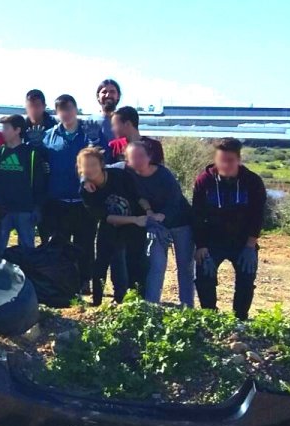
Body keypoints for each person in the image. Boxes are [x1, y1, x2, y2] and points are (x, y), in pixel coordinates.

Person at [192, 138, 267, 320]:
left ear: (239, 160)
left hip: (242, 241)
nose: (225, 164)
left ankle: (240, 318)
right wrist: (201, 246)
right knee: (204, 278)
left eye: (230, 160)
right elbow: (197, 215)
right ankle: (210, 317)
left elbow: (258, 215)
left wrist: (251, 245)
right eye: (221, 160)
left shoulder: (253, 182)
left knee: (246, 280)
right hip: (212, 241)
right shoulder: (204, 181)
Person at [42, 94, 104, 292]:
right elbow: (40, 160)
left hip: (84, 200)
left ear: (75, 109)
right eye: (61, 110)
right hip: (57, 200)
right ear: (57, 113)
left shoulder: (89, 133)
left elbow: (104, 158)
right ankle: (61, 281)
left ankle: (85, 281)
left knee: (85, 244)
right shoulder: (49, 135)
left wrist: (96, 141)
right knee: (58, 243)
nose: (66, 113)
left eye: (69, 108)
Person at [126, 142, 194, 306]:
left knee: (184, 267)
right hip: (156, 224)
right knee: (156, 265)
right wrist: (149, 211)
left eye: (141, 156)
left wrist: (162, 215)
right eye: (133, 157)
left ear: (149, 157)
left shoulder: (163, 175)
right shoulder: (128, 174)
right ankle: (151, 306)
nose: (137, 160)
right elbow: (138, 196)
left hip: (180, 222)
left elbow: (176, 200)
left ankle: (187, 307)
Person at [79, 147, 149, 305]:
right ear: (80, 168)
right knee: (101, 262)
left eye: (93, 164)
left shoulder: (118, 175)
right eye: (86, 166)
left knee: (135, 262)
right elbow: (107, 217)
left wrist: (148, 211)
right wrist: (135, 220)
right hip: (113, 223)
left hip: (135, 223)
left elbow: (138, 196)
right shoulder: (86, 191)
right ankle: (97, 301)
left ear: (102, 164)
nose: (90, 169)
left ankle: (134, 300)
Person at [0, 115, 46, 253]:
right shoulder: (0, 152)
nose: (3, 131)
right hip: (2, 209)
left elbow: (39, 182)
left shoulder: (31, 154)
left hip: (24, 209)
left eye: (6, 128)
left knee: (27, 249)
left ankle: (26, 274)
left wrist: (37, 207)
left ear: (17, 130)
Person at [92, 78, 121, 145]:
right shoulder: (90, 122)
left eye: (112, 92)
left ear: (118, 96)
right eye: (104, 92)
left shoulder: (125, 121)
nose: (108, 95)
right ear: (98, 96)